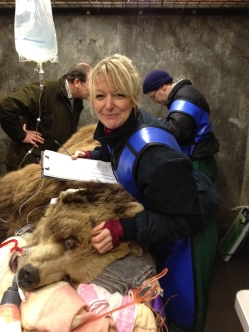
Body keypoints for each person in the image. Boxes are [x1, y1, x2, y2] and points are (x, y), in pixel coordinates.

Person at [71, 54, 219, 332]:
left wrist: (124, 228)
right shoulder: (123, 126)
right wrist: (93, 154)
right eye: (100, 96)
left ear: (133, 97)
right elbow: (118, 148)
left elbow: (183, 219)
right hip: (175, 206)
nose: (108, 105)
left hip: (189, 235)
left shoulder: (155, 157)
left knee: (179, 314)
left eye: (119, 95)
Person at [0, 62, 91, 172]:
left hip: (48, 165)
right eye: (92, 83)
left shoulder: (77, 100)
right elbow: (6, 106)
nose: (95, 89)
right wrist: (21, 135)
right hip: (26, 165)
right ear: (77, 82)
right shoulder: (45, 90)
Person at [143, 70, 219, 182]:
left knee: (198, 198)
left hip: (198, 163)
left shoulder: (184, 99)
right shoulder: (185, 94)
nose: (154, 101)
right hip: (199, 159)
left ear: (163, 87)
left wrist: (153, 124)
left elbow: (176, 130)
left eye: (153, 96)